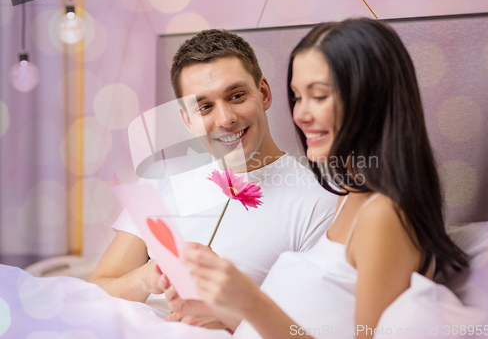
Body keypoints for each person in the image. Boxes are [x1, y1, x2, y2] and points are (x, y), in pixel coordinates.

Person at [171, 19, 469, 338]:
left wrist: (251, 301)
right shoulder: (349, 197)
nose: (300, 114)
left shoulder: (383, 216)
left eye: (319, 96)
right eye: (298, 97)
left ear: (369, 99)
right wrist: (229, 309)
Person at [89, 29, 338, 329]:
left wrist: (230, 316)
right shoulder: (161, 179)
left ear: (264, 93)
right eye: (204, 107)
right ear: (186, 119)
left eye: (236, 96)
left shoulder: (319, 201)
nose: (225, 119)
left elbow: (318, 331)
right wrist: (149, 276)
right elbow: (98, 289)